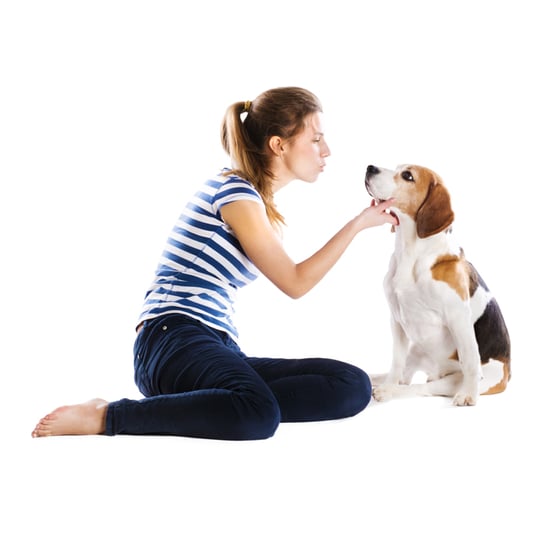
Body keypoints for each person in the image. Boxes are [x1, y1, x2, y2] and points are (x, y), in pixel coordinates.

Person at [31, 86, 397, 441]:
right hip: (170, 339)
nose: (327, 150)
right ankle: (107, 415)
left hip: (216, 343)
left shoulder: (257, 202)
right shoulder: (235, 193)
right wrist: (359, 224)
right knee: (258, 414)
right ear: (278, 144)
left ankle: (212, 408)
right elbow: (295, 282)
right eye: (316, 138)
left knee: (351, 385)